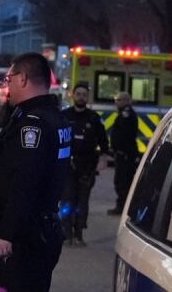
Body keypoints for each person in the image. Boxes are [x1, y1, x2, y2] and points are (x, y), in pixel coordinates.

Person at [0, 53, 72, 292]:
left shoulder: (34, 124)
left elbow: (26, 180)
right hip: (40, 228)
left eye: (9, 78)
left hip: (25, 237)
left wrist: (7, 232)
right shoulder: (55, 117)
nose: (7, 84)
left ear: (23, 79)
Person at [60, 82, 108, 247]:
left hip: (87, 167)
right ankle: (66, 234)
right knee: (66, 201)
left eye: (84, 95)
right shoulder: (64, 116)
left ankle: (79, 234)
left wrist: (103, 158)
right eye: (78, 94)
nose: (81, 97)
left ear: (87, 98)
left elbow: (103, 142)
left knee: (82, 202)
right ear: (73, 96)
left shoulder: (94, 118)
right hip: (67, 167)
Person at [107, 92, 140, 216]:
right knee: (122, 181)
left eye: (119, 100)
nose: (117, 102)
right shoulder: (123, 114)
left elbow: (126, 135)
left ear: (127, 101)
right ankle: (123, 206)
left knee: (123, 182)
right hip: (123, 154)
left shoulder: (127, 115)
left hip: (126, 155)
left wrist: (121, 149)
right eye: (116, 100)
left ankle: (123, 207)